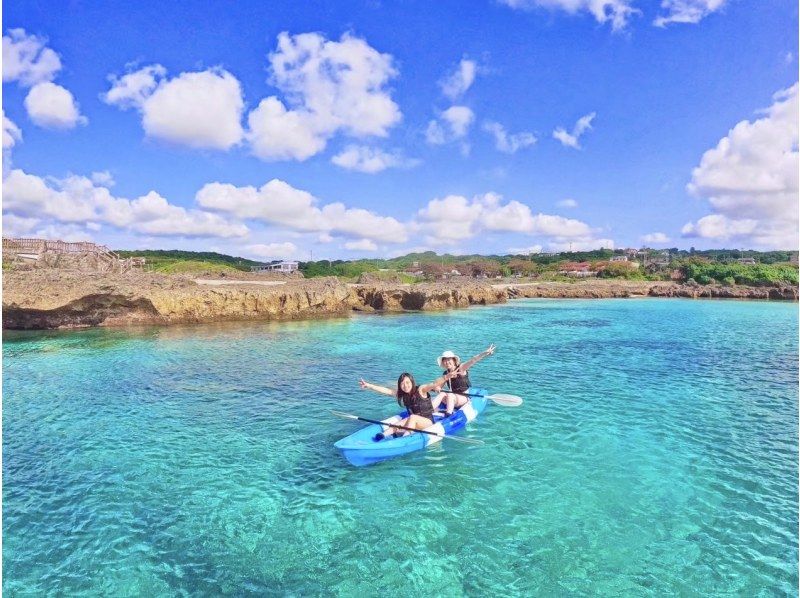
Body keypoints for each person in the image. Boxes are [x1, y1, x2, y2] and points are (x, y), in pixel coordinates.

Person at [359, 370, 458, 441]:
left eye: (407, 382)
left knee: (412, 417)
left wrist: (446, 376)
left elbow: (433, 383)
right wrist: (369, 386)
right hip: (413, 422)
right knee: (401, 422)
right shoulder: (403, 394)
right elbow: (387, 391)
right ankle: (383, 435)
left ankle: (404, 438)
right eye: (402, 384)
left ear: (412, 382)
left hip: (428, 422)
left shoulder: (421, 389)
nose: (405, 385)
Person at [432, 344, 496, 416]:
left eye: (448, 360)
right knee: (442, 393)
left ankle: (449, 414)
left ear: (454, 361)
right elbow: (439, 386)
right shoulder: (446, 373)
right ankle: (429, 411)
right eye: (445, 360)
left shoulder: (461, 368)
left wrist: (485, 353)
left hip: (464, 398)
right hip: (452, 399)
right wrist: (437, 388)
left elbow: (473, 360)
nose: (447, 362)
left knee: (450, 394)